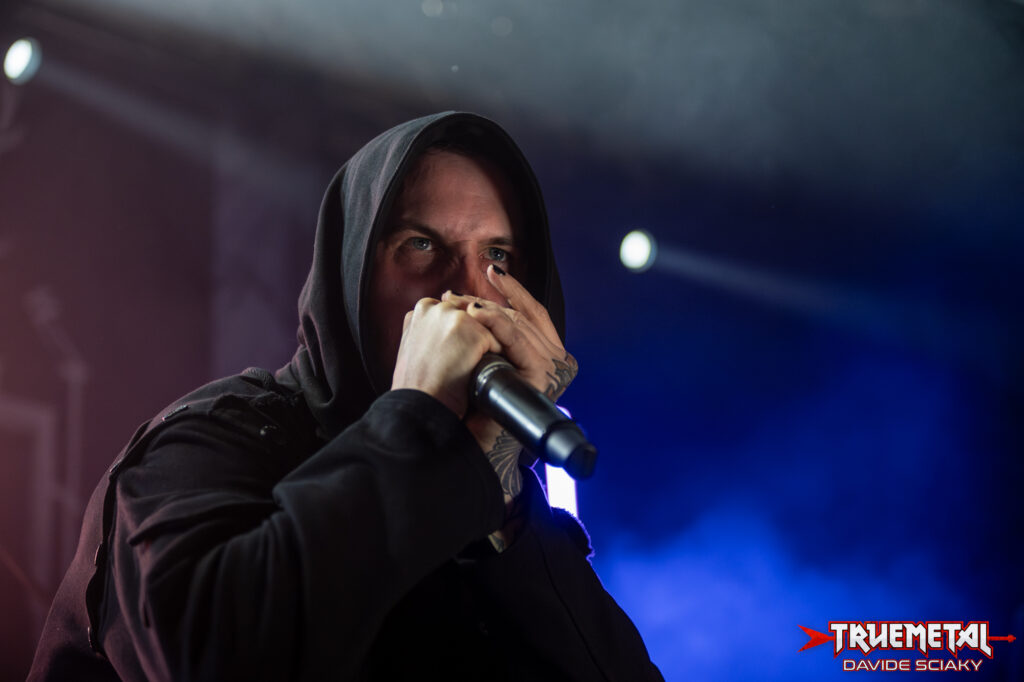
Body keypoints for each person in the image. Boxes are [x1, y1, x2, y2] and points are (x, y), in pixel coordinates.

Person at [29, 111, 662, 681]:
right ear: (351, 275)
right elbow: (211, 656)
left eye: (498, 255)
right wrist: (418, 417)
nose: (468, 295)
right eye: (421, 246)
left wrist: (500, 501)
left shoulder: (499, 505)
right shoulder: (208, 443)